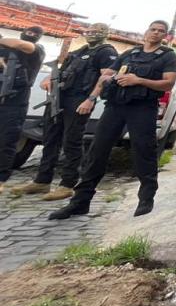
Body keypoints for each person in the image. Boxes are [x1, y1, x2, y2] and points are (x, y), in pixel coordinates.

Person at [50, 20, 176, 219]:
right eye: (153, 29)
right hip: (116, 107)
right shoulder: (129, 54)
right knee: (96, 152)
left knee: (144, 151)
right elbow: (106, 74)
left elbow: (168, 83)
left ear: (165, 36)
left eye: (161, 31)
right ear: (146, 31)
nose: (155, 33)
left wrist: (139, 80)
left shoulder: (167, 56)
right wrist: (96, 93)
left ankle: (146, 198)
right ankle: (80, 202)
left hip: (142, 108)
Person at [11, 23, 117, 201]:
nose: (91, 34)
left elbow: (105, 78)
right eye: (88, 31)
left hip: (79, 100)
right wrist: (48, 78)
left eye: (96, 32)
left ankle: (67, 184)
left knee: (71, 142)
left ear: (105, 34)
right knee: (50, 139)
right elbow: (61, 70)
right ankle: (42, 181)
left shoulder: (106, 52)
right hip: (59, 97)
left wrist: (90, 99)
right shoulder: (79, 51)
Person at [0, 26, 45, 194]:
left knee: (6, 141)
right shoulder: (5, 49)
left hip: (15, 102)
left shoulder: (36, 50)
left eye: (35, 34)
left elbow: (22, 45)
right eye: (29, 32)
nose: (30, 35)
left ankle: (1, 179)